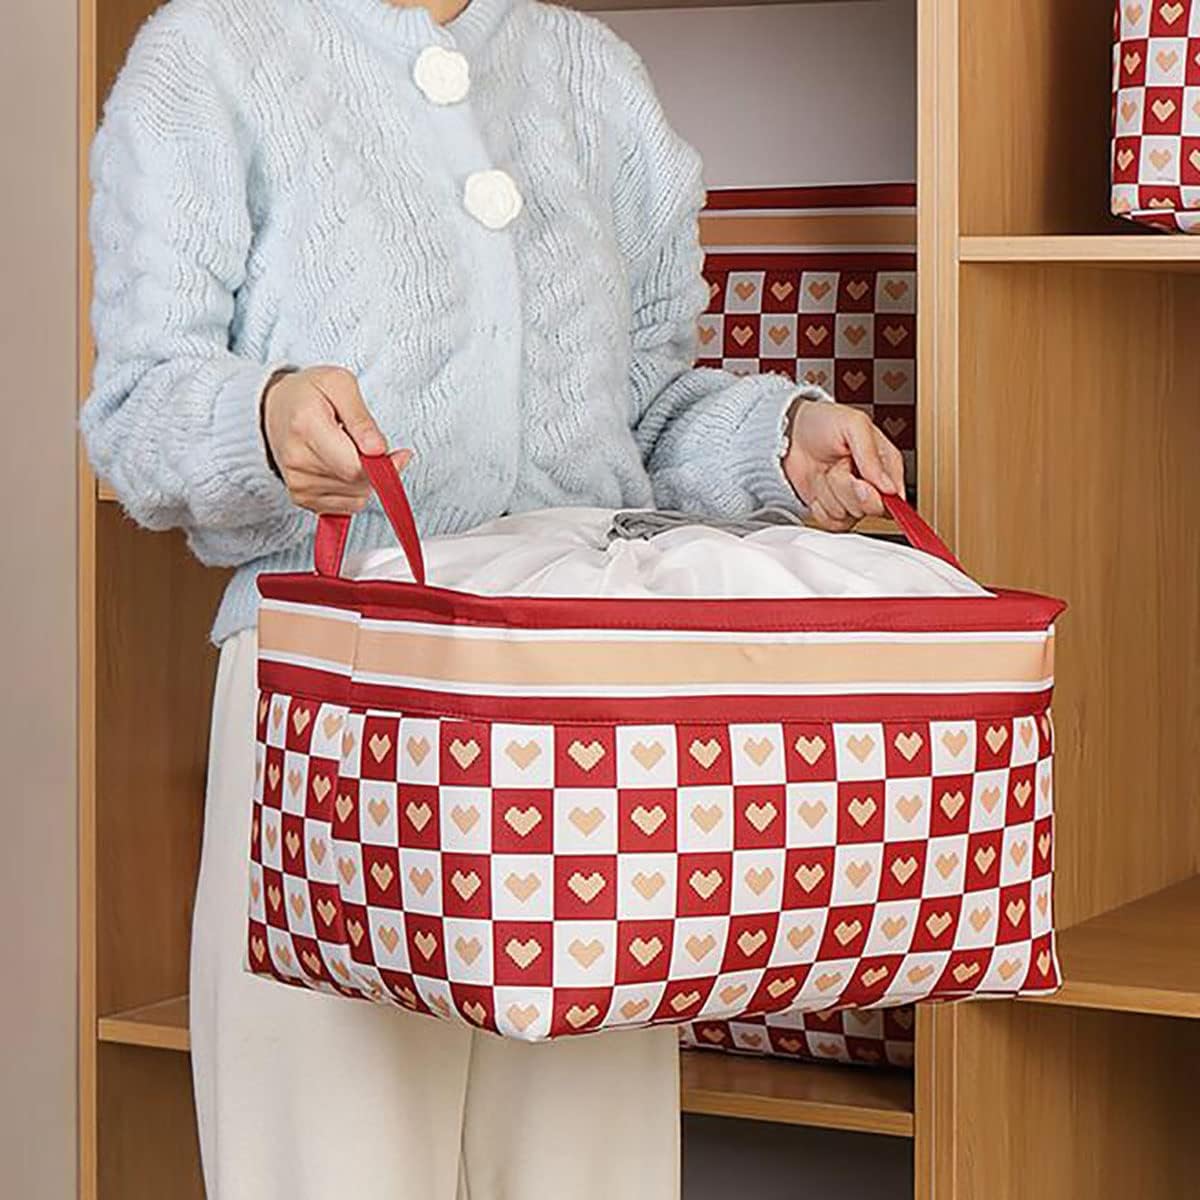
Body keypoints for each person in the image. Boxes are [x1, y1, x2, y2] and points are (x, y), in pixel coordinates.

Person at [81, 0, 906, 1196]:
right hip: (338, 708)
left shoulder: (591, 77)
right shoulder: (212, 52)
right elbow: (137, 409)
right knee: (334, 1169)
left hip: (590, 715)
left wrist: (779, 445)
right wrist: (265, 421)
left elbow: (642, 410)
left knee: (591, 1169)